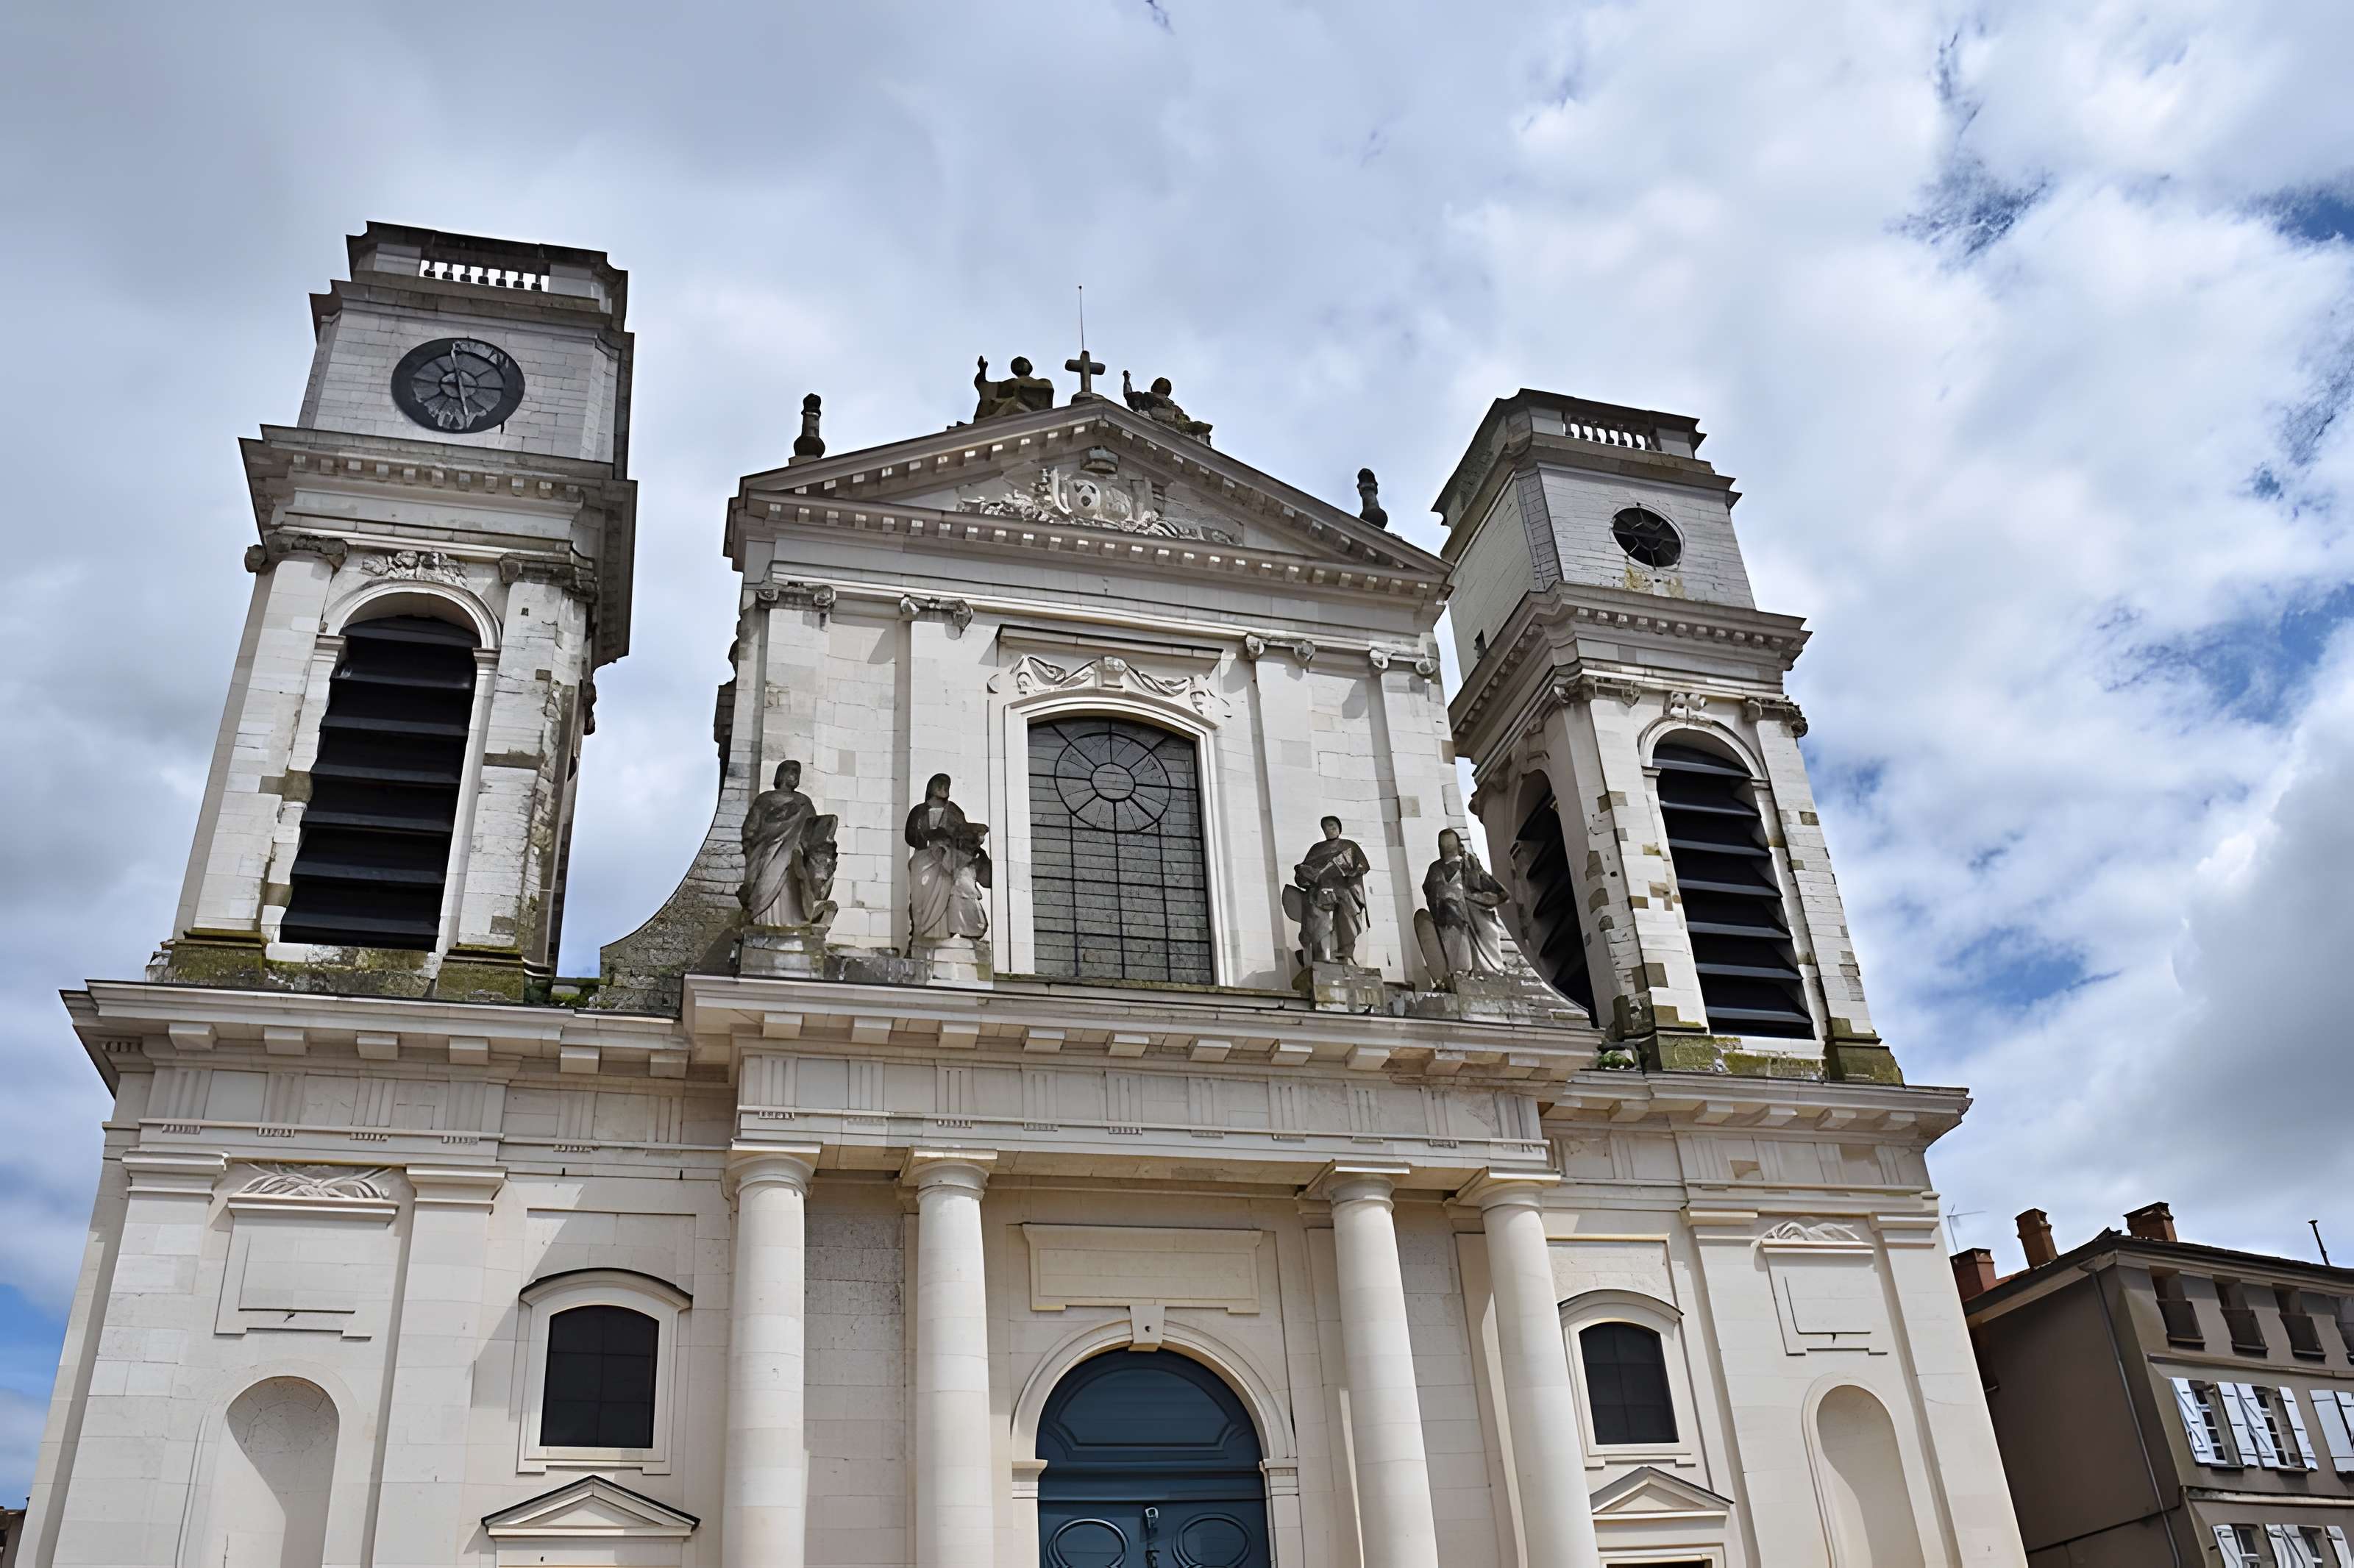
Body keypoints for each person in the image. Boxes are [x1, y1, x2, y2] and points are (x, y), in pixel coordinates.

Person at [740, 760, 832, 926]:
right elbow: (751, 828)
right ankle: (761, 918)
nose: (796, 777)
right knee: (763, 887)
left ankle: (792, 920)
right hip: (765, 851)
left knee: (794, 882)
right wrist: (751, 845)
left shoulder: (804, 802)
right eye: (792, 772)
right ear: (781, 775)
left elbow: (811, 830)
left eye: (798, 773)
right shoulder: (765, 799)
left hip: (793, 853)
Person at [906, 772, 992, 940]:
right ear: (931, 788)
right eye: (939, 784)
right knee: (922, 883)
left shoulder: (953, 810)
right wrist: (928, 835)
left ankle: (960, 930)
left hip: (950, 856)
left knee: (962, 886)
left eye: (947, 785)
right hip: (927, 854)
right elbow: (911, 836)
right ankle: (923, 932)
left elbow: (963, 832)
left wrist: (970, 835)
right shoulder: (919, 810)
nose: (943, 788)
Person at [1422, 827, 1512, 976]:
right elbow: (1432, 889)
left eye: (1451, 842)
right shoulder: (1436, 868)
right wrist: (1448, 895)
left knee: (1490, 931)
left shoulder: (1470, 862)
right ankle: (1462, 968)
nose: (1448, 846)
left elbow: (1484, 879)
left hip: (1475, 904)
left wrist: (1499, 892)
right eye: (1445, 844)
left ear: (1458, 844)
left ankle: (1492, 969)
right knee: (1455, 928)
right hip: (1451, 909)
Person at [1287, 816, 1372, 965]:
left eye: (1332, 826)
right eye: (1326, 828)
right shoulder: (1316, 849)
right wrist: (1307, 874)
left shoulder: (1349, 846)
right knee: (1318, 918)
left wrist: (1342, 869)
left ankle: (1346, 954)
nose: (1329, 830)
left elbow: (1362, 866)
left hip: (1345, 891)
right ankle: (1321, 955)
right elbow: (1304, 874)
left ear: (1339, 828)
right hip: (1320, 893)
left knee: (1346, 917)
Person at [972, 356, 1054, 421]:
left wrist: (982, 371)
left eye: (1022, 364)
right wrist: (982, 371)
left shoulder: (1043, 382)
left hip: (1033, 416)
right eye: (1018, 365)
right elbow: (984, 388)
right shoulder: (1011, 384)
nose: (1020, 366)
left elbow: (984, 387)